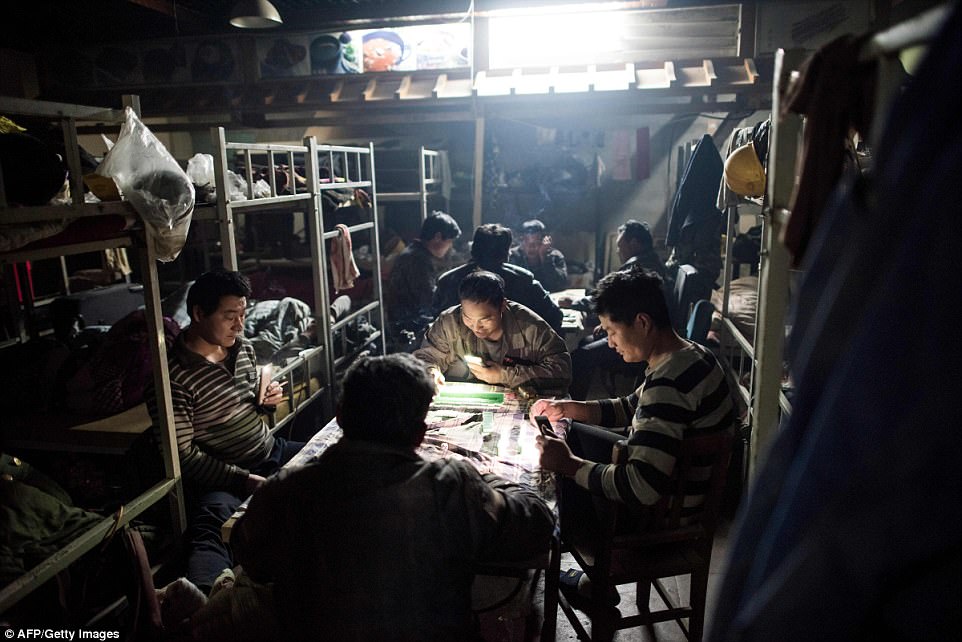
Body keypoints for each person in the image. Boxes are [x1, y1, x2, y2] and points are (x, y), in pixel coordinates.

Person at [231, 353, 555, 641]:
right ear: (420, 434)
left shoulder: (286, 490)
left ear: (340, 417)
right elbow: (538, 524)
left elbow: (250, 556)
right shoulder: (450, 486)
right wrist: (483, 475)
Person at [532, 269, 735, 602]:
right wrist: (569, 408)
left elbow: (642, 486)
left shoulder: (668, 384)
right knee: (574, 433)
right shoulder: (691, 355)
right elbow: (631, 406)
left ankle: (595, 584)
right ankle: (594, 583)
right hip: (677, 497)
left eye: (612, 331)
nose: (609, 342)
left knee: (553, 490)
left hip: (661, 522)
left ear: (642, 322)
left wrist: (569, 466)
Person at [146, 270, 303, 594]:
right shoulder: (172, 380)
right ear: (198, 314)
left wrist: (267, 402)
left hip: (271, 449)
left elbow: (250, 407)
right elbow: (183, 455)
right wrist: (241, 479)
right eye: (230, 316)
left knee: (339, 459)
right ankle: (206, 601)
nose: (240, 325)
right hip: (225, 478)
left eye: (243, 315)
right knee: (211, 530)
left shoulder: (241, 349)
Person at [415, 270, 571, 397]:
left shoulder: (530, 327)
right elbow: (425, 357)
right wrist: (431, 372)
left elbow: (562, 371)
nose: (476, 327)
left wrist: (503, 375)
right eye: (468, 318)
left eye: (485, 319)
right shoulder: (449, 322)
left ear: (502, 306)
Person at [563, 218, 664, 399]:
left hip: (641, 337)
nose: (618, 250)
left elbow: (611, 301)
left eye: (620, 245)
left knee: (582, 355)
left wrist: (576, 303)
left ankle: (573, 406)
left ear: (633, 243)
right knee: (585, 343)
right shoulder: (651, 261)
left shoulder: (638, 268)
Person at [434, 223, 564, 334]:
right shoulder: (523, 280)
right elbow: (554, 317)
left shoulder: (447, 281)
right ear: (507, 252)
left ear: (473, 249)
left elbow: (434, 321)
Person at [385, 211, 461, 334]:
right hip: (407, 325)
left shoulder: (415, 252)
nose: (450, 246)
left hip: (408, 318)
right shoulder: (417, 259)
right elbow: (429, 299)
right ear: (437, 237)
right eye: (449, 241)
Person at [508, 218, 568, 292]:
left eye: (536, 242)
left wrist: (544, 257)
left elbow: (560, 284)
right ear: (521, 240)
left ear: (544, 241)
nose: (531, 247)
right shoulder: (512, 256)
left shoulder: (555, 256)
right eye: (527, 241)